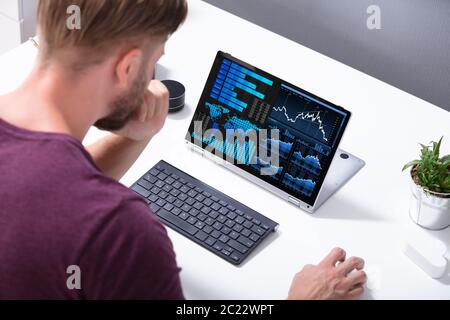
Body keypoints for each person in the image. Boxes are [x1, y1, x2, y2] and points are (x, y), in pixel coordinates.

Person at [0, 0, 366, 299]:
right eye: (153, 61)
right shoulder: (123, 233)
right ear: (128, 67)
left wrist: (135, 136)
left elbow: (44, 190)